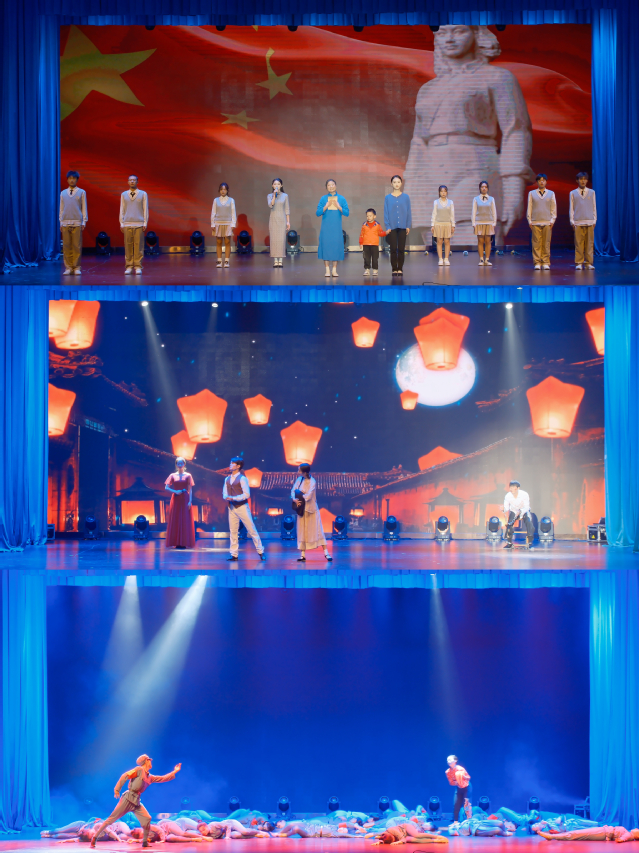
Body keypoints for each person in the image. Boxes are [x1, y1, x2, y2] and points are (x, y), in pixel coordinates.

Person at [404, 25, 533, 246]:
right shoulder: (428, 88)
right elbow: (419, 142)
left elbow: (516, 131)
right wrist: (407, 191)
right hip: (429, 176)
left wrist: (513, 189)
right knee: (436, 255)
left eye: (459, 31)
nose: (449, 39)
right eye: (442, 33)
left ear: (476, 34)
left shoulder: (497, 77)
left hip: (476, 169)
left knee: (478, 251)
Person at [90, 754, 181, 848]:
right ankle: (95, 837)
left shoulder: (150, 777)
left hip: (136, 801)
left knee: (147, 818)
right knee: (111, 819)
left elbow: (163, 778)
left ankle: (145, 842)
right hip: (128, 798)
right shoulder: (139, 770)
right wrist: (117, 789)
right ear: (146, 761)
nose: (151, 761)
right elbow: (125, 776)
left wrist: (175, 771)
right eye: (149, 760)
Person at [223, 457, 266, 562]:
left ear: (238, 466)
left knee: (251, 529)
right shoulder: (227, 479)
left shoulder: (242, 479)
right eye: (230, 463)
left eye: (232, 463)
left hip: (242, 507)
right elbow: (224, 493)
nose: (230, 465)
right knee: (233, 531)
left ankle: (261, 551)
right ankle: (234, 554)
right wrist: (226, 497)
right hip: (232, 507)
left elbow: (246, 494)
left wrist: (234, 498)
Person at [291, 464, 332, 562]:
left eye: (299, 470)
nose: (298, 472)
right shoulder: (299, 480)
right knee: (302, 531)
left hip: (311, 509)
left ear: (304, 472)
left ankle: (326, 553)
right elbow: (293, 490)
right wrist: (294, 499)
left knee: (318, 530)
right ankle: (302, 555)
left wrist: (300, 498)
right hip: (301, 509)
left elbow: (308, 496)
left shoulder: (312, 481)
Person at [316, 179, 349, 278]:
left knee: (336, 247)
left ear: (336, 186)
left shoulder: (341, 198)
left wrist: (339, 207)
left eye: (332, 184)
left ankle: (334, 270)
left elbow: (347, 213)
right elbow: (317, 213)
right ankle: (327, 270)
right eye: (329, 185)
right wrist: (325, 206)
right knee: (326, 247)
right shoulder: (323, 199)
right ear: (326, 187)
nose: (331, 186)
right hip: (326, 228)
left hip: (336, 228)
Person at [119, 175, 149, 275]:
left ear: (137, 182)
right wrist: (121, 222)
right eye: (130, 180)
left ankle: (138, 266)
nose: (132, 181)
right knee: (128, 246)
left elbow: (145, 209)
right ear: (128, 182)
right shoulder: (124, 194)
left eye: (134, 180)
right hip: (127, 223)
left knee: (138, 246)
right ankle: (129, 266)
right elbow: (122, 209)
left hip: (139, 223)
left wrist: (145, 222)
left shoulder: (143, 194)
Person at [59, 170, 87, 276]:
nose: (72, 180)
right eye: (70, 178)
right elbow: (61, 209)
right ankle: (68, 267)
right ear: (67, 180)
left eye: (74, 178)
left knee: (76, 245)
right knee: (66, 246)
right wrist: (61, 222)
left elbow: (84, 208)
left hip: (77, 222)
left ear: (77, 180)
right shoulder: (63, 193)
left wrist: (84, 221)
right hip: (66, 222)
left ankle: (76, 267)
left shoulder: (81, 192)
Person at [527, 174, 556, 270]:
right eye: (540, 180)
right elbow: (529, 207)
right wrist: (529, 220)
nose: (542, 182)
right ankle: (537, 262)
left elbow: (553, 208)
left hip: (547, 222)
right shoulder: (532, 193)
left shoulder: (551, 193)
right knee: (536, 243)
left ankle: (545, 262)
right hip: (535, 221)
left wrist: (552, 220)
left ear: (546, 182)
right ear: (537, 182)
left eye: (543, 180)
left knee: (546, 243)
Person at [384, 175, 412, 276]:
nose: (396, 184)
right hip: (392, 227)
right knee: (393, 249)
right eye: (394, 182)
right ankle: (394, 268)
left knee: (401, 249)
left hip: (403, 226)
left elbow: (408, 212)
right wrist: (387, 226)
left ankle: (400, 268)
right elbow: (386, 213)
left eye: (398, 182)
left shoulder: (406, 197)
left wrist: (408, 225)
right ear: (391, 184)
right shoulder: (387, 198)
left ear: (401, 183)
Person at [165, 456, 195, 549]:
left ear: (184, 464)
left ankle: (184, 542)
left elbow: (190, 489)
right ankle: (176, 542)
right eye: (178, 463)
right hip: (176, 498)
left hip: (185, 498)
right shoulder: (172, 475)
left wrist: (190, 501)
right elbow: (166, 487)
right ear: (176, 465)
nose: (180, 465)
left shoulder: (188, 475)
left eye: (181, 463)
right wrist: (175, 491)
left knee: (185, 519)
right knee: (176, 518)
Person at [570, 172, 597, 270]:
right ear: (577, 180)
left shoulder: (592, 192)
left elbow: (594, 206)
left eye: (585, 179)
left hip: (589, 221)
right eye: (581, 179)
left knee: (589, 243)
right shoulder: (573, 193)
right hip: (578, 222)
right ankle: (579, 262)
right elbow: (571, 208)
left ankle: (589, 263)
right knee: (579, 243)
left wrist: (594, 220)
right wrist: (572, 221)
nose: (583, 181)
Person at [211, 182, 236, 269]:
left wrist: (233, 224)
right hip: (218, 223)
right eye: (221, 189)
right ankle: (219, 261)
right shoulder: (216, 200)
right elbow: (213, 212)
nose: (223, 191)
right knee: (218, 242)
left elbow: (233, 213)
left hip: (228, 223)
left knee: (227, 242)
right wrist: (212, 223)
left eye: (224, 189)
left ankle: (226, 261)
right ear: (219, 190)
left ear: (227, 190)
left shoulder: (231, 200)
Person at [503, 479, 534, 549]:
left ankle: (530, 542)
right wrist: (504, 509)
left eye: (513, 487)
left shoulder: (524, 494)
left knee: (529, 522)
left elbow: (526, 506)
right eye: (510, 487)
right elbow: (506, 507)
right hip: (514, 511)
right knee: (509, 523)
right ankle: (509, 543)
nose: (511, 489)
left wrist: (521, 513)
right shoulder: (508, 496)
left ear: (518, 488)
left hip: (524, 510)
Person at [472, 181, 497, 266]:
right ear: (480, 188)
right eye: (482, 187)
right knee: (480, 241)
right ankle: (481, 259)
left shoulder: (491, 199)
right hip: (479, 222)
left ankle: (487, 259)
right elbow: (474, 211)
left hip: (489, 222)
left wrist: (494, 222)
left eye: (485, 187)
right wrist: (473, 222)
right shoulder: (476, 199)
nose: (484, 188)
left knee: (488, 241)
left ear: (487, 188)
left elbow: (494, 211)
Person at [268, 178, 290, 268]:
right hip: (273, 219)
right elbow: (271, 205)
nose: (276, 185)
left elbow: (287, 209)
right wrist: (274, 195)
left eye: (278, 184)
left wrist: (288, 222)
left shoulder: (285, 196)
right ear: (272, 186)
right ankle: (275, 261)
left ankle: (280, 260)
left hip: (282, 219)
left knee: (281, 240)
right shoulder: (269, 195)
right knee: (274, 240)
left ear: (281, 185)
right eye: (275, 184)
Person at [431, 186, 455, 266]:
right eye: (441, 191)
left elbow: (452, 215)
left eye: (445, 191)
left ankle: (446, 259)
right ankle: (440, 259)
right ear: (439, 192)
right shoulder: (436, 202)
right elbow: (434, 214)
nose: (443, 193)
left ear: (447, 192)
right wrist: (432, 225)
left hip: (447, 224)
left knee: (447, 241)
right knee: (439, 241)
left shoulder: (450, 202)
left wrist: (453, 225)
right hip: (438, 224)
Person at [359, 208, 386, 277]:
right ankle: (367, 269)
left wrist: (386, 233)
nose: (368, 217)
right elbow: (362, 234)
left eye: (370, 216)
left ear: (374, 216)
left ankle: (375, 270)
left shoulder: (377, 224)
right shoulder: (364, 225)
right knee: (366, 258)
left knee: (375, 258)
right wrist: (361, 243)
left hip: (374, 244)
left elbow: (380, 233)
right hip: (366, 244)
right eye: (367, 216)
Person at [445, 755, 471, 823]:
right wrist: (457, 782)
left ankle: (468, 821)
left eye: (450, 759)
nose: (448, 761)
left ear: (455, 761)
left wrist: (463, 777)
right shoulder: (448, 772)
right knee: (456, 804)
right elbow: (451, 782)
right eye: (447, 760)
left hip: (466, 788)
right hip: (458, 788)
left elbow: (468, 777)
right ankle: (455, 822)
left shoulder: (460, 769)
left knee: (466, 804)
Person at [371, 823, 448, 845]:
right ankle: (434, 840)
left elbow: (401, 837)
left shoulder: (391, 830)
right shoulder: (387, 838)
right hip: (404, 835)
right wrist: (380, 842)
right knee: (413, 840)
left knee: (416, 835)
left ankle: (436, 837)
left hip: (406, 828)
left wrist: (400, 842)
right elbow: (382, 840)